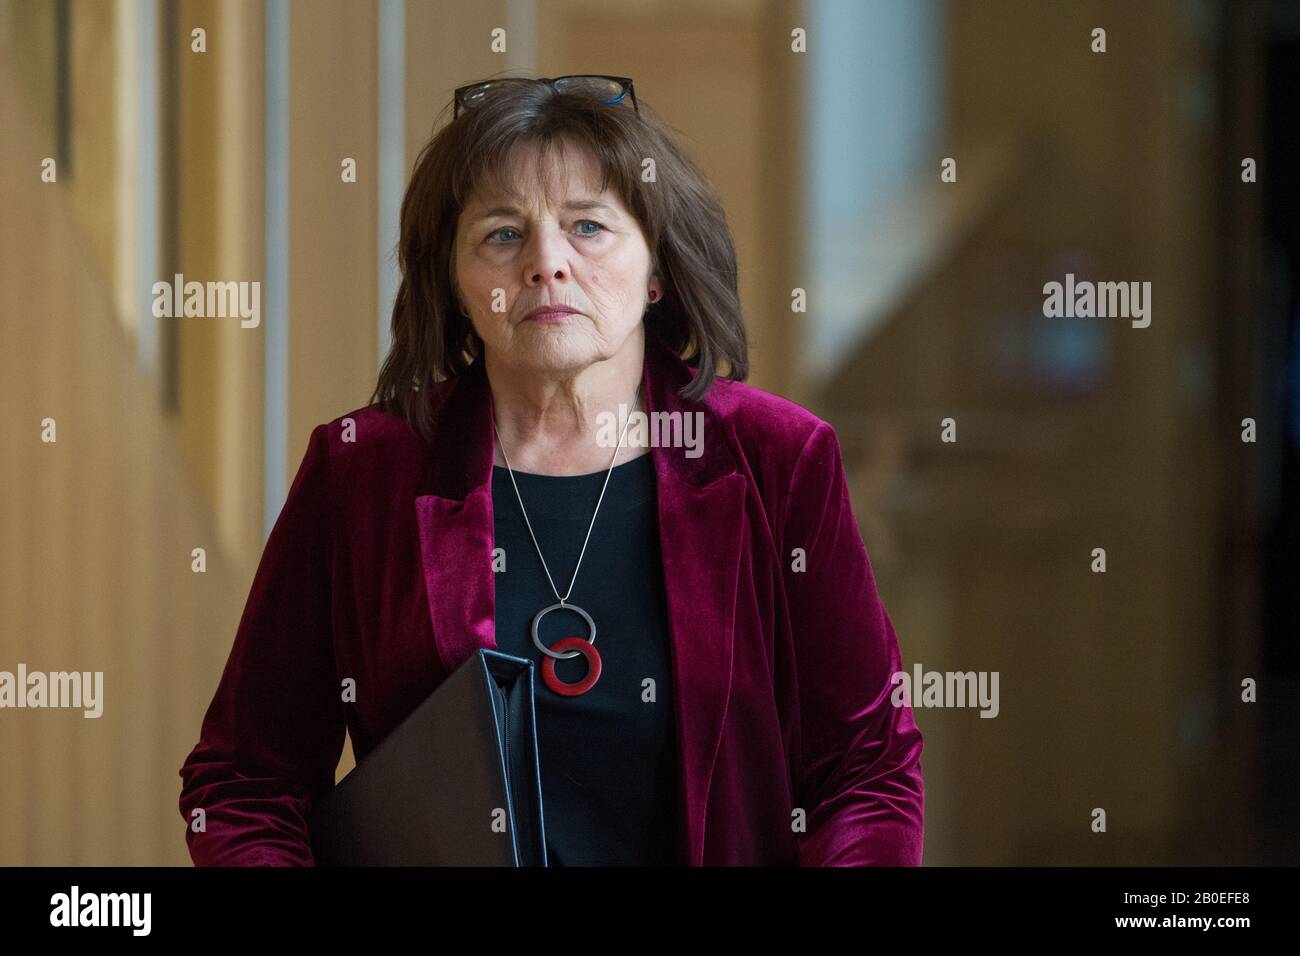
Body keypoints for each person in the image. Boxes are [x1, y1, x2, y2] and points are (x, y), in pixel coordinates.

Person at [177, 74, 924, 866]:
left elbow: (868, 772)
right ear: (455, 285)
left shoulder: (777, 459)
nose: (547, 264)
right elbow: (245, 783)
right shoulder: (364, 473)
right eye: (503, 234)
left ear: (658, 268)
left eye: (588, 227)